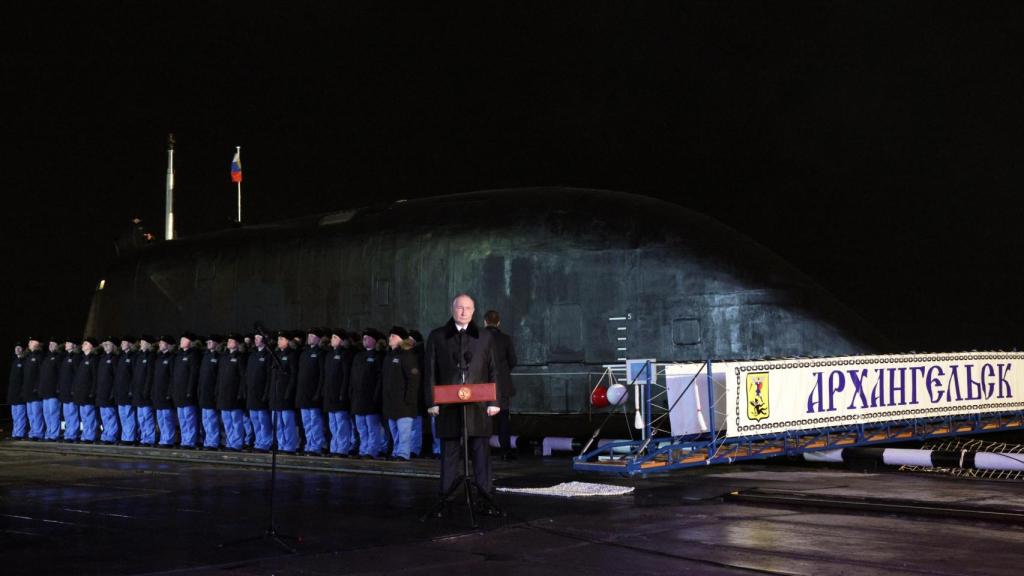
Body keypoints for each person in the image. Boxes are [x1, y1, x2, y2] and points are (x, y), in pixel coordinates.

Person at [424, 293, 500, 510]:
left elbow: (494, 369)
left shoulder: (485, 337)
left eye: (468, 308)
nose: (464, 312)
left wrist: (494, 401)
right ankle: (445, 498)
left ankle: (485, 498)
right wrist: (432, 401)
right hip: (448, 405)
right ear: (452, 309)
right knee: (449, 452)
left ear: (474, 311)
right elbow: (430, 371)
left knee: (480, 452)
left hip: (478, 405)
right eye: (460, 308)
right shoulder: (438, 336)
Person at [382, 326, 421, 461]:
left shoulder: (407, 355)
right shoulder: (389, 356)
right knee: (395, 431)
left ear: (400, 339)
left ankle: (403, 453)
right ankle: (396, 451)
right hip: (391, 401)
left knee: (404, 430)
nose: (390, 338)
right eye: (390, 335)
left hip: (403, 402)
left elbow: (413, 378)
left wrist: (409, 399)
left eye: (393, 336)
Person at [483, 310, 518, 460]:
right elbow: (513, 361)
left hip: (483, 385)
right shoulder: (505, 339)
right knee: (503, 419)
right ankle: (505, 451)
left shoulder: (478, 337)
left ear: (485, 322)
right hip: (502, 385)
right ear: (499, 323)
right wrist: (502, 373)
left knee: (483, 419)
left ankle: (481, 451)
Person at [350, 328, 385, 458]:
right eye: (363, 337)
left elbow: (379, 378)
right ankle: (363, 449)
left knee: (372, 427)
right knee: (361, 427)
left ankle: (372, 450)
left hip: (370, 398)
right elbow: (353, 377)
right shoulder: (359, 356)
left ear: (374, 340)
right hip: (358, 398)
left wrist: (376, 395)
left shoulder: (378, 356)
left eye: (367, 337)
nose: (364, 339)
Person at [323, 328, 354, 457]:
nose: (332, 339)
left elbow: (346, 375)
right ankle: (334, 447)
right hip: (330, 394)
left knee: (341, 423)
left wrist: (343, 392)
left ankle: (342, 448)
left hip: (339, 394)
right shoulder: (330, 354)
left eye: (335, 337)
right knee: (333, 423)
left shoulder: (345, 354)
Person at [296, 328, 326, 456]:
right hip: (304, 394)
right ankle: (310, 444)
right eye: (309, 335)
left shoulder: (320, 353)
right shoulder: (304, 353)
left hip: (313, 394)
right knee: (307, 423)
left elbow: (321, 375)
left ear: (318, 339)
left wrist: (318, 392)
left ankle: (316, 445)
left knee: (315, 422)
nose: (309, 337)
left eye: (313, 335)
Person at [269, 331, 299, 453]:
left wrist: (288, 392)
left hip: (285, 394)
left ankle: (290, 446)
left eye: (281, 339)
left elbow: (293, 376)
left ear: (287, 341)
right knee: (277, 423)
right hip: (276, 394)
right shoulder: (276, 355)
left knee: (288, 423)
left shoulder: (292, 355)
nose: (279, 341)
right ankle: (281, 444)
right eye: (278, 339)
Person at [216, 334, 246, 451]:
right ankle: (229, 442)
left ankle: (237, 443)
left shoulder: (240, 358)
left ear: (237, 344)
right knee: (227, 421)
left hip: (234, 395)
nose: (228, 343)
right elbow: (219, 377)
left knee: (236, 421)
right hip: (224, 395)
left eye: (231, 341)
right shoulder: (224, 358)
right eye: (228, 341)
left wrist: (240, 393)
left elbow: (243, 377)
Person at [171, 332, 201, 449]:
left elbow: (193, 375)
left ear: (190, 342)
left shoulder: (193, 355)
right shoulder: (178, 356)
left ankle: (191, 441)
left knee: (189, 418)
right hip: (179, 392)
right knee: (182, 419)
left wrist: (190, 390)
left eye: (183, 339)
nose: (181, 341)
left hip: (187, 393)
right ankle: (185, 440)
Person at [245, 332, 273, 452]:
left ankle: (266, 442)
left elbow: (268, 377)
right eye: (255, 338)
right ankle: (258, 441)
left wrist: (266, 393)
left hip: (261, 393)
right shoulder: (253, 355)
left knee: (263, 420)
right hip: (252, 393)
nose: (255, 340)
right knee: (255, 420)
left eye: (258, 338)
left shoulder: (268, 355)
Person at [198, 335, 223, 450]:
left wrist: (216, 392)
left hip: (212, 392)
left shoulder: (219, 357)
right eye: (207, 341)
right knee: (206, 420)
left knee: (212, 419)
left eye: (211, 341)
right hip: (204, 392)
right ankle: (208, 441)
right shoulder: (205, 356)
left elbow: (218, 377)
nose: (208, 343)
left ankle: (213, 442)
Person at [151, 335, 177, 447]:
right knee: (161, 419)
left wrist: (169, 392)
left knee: (167, 419)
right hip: (158, 393)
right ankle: (163, 438)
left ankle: (168, 439)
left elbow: (172, 377)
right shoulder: (159, 358)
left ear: (168, 344)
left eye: (162, 342)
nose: (160, 344)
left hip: (166, 393)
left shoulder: (171, 358)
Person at [73, 338, 100, 443]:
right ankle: (86, 434)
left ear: (91, 346)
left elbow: (94, 377)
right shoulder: (83, 359)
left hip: (88, 393)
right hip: (81, 393)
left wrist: (92, 391)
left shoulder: (93, 359)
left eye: (86, 343)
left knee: (90, 416)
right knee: (84, 416)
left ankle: (91, 435)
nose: (83, 345)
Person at [132, 336, 157, 446]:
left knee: (147, 416)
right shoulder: (139, 356)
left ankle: (149, 438)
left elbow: (150, 376)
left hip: (145, 393)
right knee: (141, 417)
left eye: (143, 341)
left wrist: (146, 390)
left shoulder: (151, 356)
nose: (141, 343)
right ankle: (143, 437)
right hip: (138, 391)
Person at [95, 337, 120, 444]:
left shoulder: (114, 359)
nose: (106, 347)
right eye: (105, 345)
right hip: (101, 392)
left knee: (111, 415)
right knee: (104, 416)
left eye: (108, 345)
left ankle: (112, 435)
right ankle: (106, 434)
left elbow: (116, 377)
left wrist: (113, 392)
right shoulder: (103, 358)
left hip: (109, 392)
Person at [114, 336, 138, 445]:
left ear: (129, 343)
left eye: (124, 342)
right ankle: (125, 436)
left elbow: (134, 376)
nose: (122, 344)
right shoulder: (122, 356)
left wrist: (131, 390)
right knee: (123, 416)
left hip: (128, 391)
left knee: (129, 415)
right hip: (120, 391)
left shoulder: (133, 357)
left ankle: (130, 437)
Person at [57, 339, 80, 442]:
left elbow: (77, 375)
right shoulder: (66, 357)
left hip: (71, 392)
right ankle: (68, 433)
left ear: (73, 345)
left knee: (72, 414)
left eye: (68, 343)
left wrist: (74, 389)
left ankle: (73, 434)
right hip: (65, 392)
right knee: (67, 415)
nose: (65, 345)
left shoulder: (76, 357)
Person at [39, 338, 62, 441]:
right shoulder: (47, 358)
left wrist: (58, 387)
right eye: (50, 344)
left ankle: (54, 433)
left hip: (53, 391)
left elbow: (60, 374)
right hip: (46, 391)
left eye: (53, 344)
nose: (51, 346)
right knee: (47, 413)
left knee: (54, 413)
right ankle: (49, 432)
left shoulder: (59, 357)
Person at [22, 337, 45, 440]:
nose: (30, 343)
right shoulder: (28, 356)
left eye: (32, 341)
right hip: (28, 390)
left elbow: (41, 374)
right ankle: (33, 431)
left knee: (37, 413)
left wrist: (37, 387)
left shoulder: (40, 356)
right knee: (31, 413)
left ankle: (38, 433)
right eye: (29, 341)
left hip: (35, 391)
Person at [8, 342, 27, 440]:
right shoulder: (14, 361)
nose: (17, 349)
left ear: (22, 349)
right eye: (16, 348)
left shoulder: (24, 361)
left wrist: (23, 391)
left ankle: (20, 433)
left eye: (19, 348)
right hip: (13, 394)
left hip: (20, 394)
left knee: (20, 415)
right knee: (15, 415)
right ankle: (15, 433)